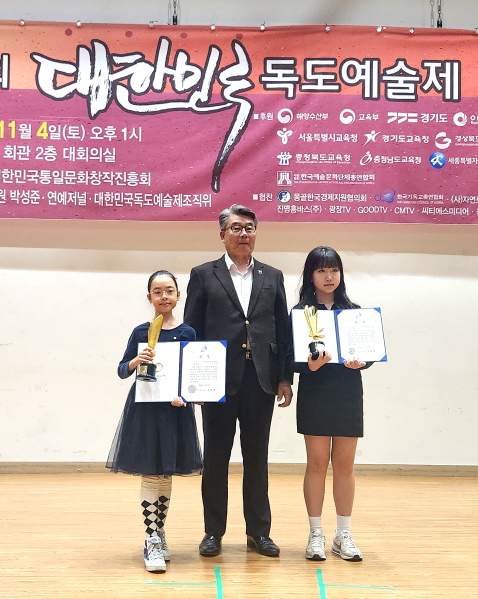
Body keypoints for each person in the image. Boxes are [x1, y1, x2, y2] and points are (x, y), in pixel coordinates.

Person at [184, 204, 293, 558]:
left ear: (256, 233)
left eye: (249, 228)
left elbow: (282, 330)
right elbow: (191, 331)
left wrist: (285, 377)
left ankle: (259, 533)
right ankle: (213, 532)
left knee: (257, 458)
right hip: (216, 381)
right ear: (222, 235)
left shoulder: (272, 275)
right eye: (236, 228)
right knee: (216, 458)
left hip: (260, 379)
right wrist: (192, 382)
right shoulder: (204, 274)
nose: (243, 233)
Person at [106, 270, 203, 573]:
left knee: (165, 473)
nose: (164, 296)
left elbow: (192, 374)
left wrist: (188, 395)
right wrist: (136, 361)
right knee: (151, 472)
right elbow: (122, 370)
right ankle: (151, 540)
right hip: (146, 411)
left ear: (178, 295)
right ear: (149, 297)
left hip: (175, 411)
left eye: (169, 290)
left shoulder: (187, 333)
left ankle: (159, 533)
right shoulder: (141, 332)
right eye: (158, 291)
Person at [293, 246, 373, 562]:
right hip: (315, 393)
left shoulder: (354, 312)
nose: (329, 277)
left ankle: (343, 534)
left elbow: (368, 353)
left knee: (344, 466)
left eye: (334, 270)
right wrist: (308, 366)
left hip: (347, 393)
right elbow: (290, 358)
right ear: (310, 276)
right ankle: (316, 533)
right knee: (316, 464)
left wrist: (362, 362)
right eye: (322, 271)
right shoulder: (301, 312)